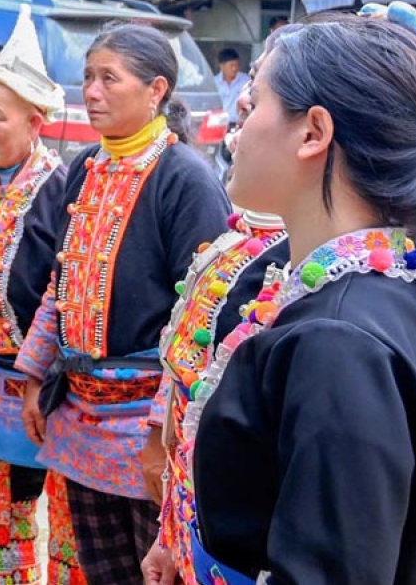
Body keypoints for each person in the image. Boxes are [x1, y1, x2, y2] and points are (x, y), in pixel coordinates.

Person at [188, 11, 416, 585]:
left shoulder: (338, 339)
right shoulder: (397, 292)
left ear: (313, 132)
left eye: (255, 99)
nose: (240, 114)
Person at [14, 22, 231, 585]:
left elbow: (201, 320)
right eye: (88, 77)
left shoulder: (185, 179)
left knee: (158, 571)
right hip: (83, 418)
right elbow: (61, 282)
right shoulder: (85, 170)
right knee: (102, 571)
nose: (91, 92)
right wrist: (36, 373)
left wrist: (165, 433)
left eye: (109, 78)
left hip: (145, 430)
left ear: (156, 90)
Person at [141, 29, 293, 585]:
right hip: (191, 524)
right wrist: (169, 534)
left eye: (262, 93)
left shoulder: (322, 280)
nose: (243, 105)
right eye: (250, 87)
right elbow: (186, 380)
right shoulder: (236, 240)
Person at [0, 6, 85, 585]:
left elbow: (70, 296)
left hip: (56, 391)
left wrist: (42, 373)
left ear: (35, 122)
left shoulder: (63, 194)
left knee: (66, 532)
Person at [213, 48, 249, 125]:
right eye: (231, 65)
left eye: (237, 65)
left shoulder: (246, 81)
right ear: (222, 66)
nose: (234, 69)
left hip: (239, 124)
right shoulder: (214, 83)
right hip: (218, 124)